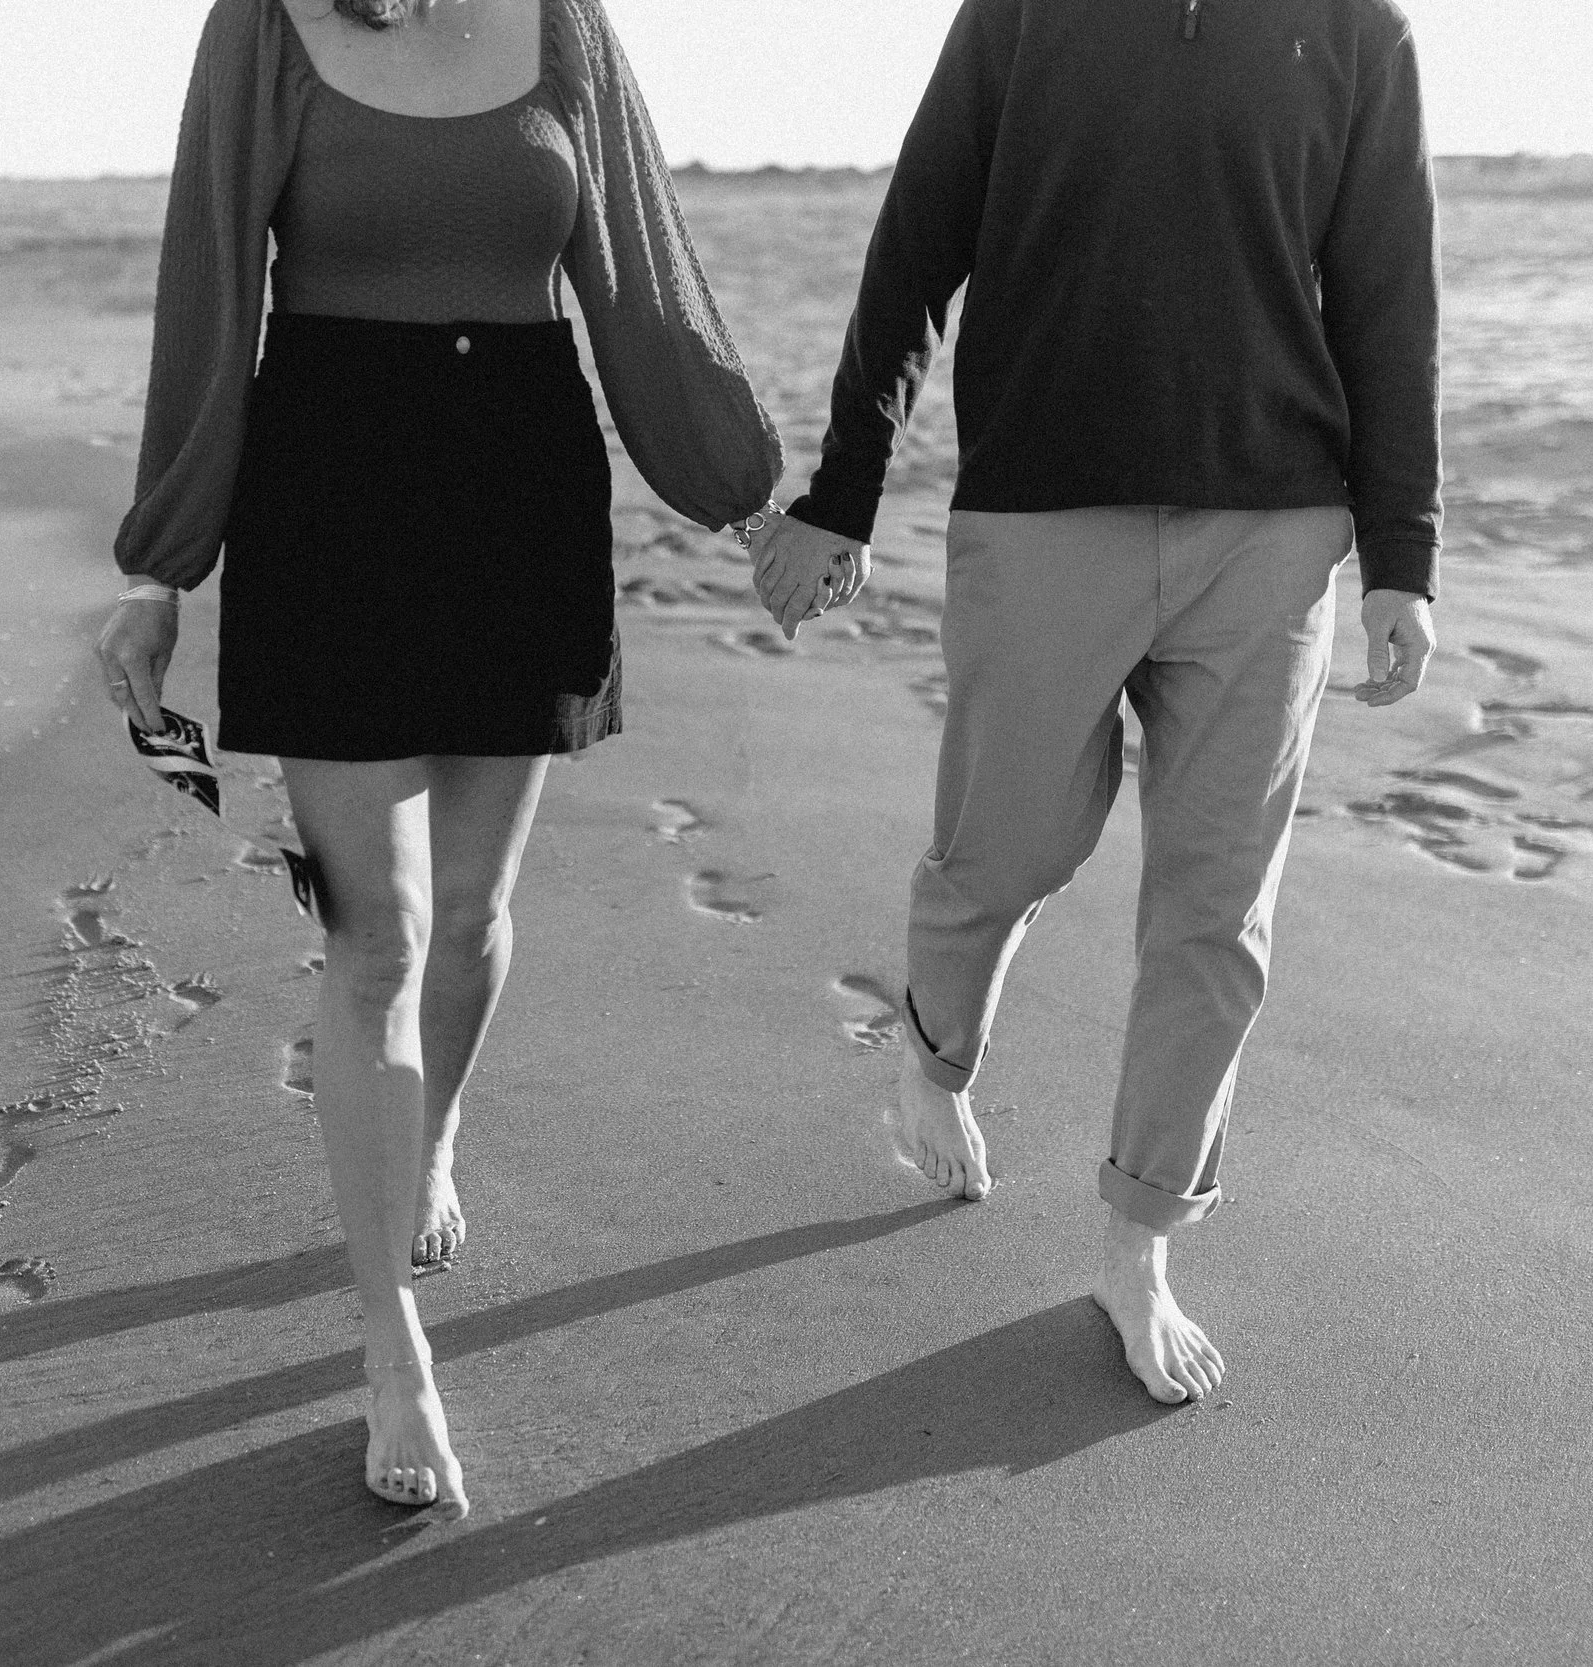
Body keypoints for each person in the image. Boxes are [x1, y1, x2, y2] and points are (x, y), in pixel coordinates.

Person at [98, 0, 791, 1514]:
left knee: (470, 917)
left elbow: (641, 276)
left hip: (520, 486)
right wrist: (163, 570)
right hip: (330, 492)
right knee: (379, 934)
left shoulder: (562, 22)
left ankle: (432, 1135)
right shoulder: (264, 29)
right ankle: (387, 1328)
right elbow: (209, 291)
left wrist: (745, 501)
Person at [749, 0, 1442, 1404]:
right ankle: (937, 1053)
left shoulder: (1359, 29)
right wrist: (842, 491)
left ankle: (1139, 1243)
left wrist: (1399, 556)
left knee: (1216, 913)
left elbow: (1387, 292)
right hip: (1040, 510)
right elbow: (917, 245)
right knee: (1008, 847)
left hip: (1272, 529)